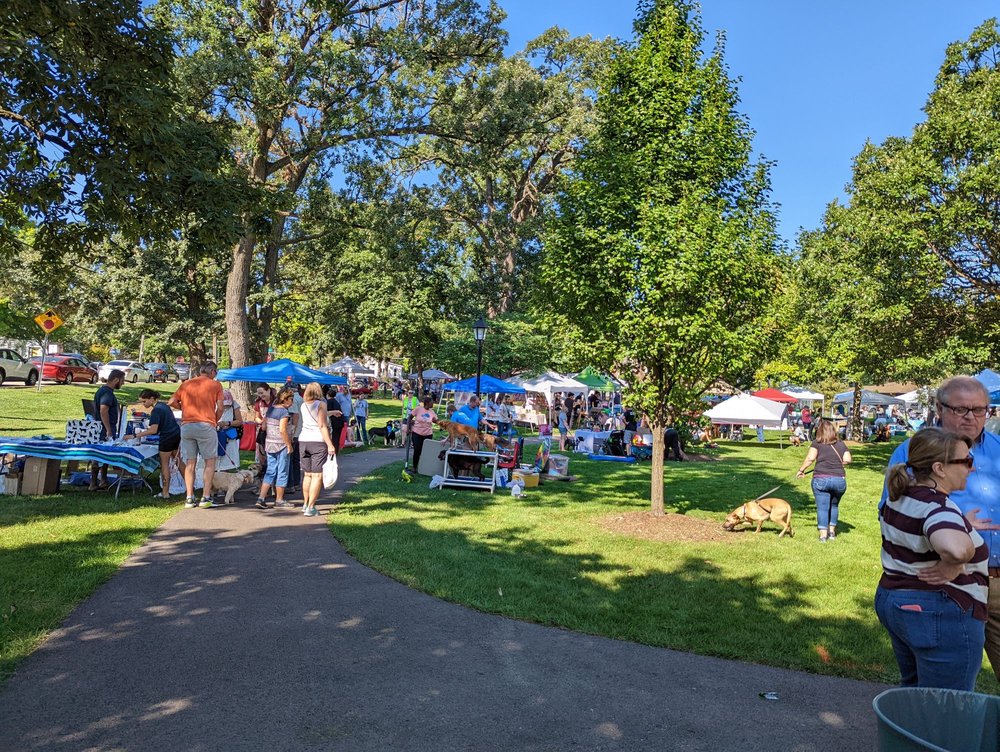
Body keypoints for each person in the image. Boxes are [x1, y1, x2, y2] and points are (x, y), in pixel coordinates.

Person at [882, 375, 1000, 681]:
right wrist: (955, 554)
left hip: (993, 580)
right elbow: (895, 513)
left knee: (938, 689)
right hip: (944, 588)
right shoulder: (914, 452)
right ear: (939, 408)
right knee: (943, 694)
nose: (971, 417)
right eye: (961, 410)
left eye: (980, 410)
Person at [877, 427, 986, 690]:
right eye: (966, 461)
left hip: (897, 601)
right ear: (939, 468)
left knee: (914, 694)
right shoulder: (939, 507)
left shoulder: (901, 496)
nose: (972, 468)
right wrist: (954, 565)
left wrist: (963, 525)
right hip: (939, 611)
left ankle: (904, 732)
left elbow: (919, 531)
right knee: (947, 703)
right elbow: (955, 549)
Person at [168, 361, 224, 509]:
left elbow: (172, 401)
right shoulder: (215, 385)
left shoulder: (186, 384)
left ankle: (189, 497)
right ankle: (205, 497)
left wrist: (184, 408)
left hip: (187, 425)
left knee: (190, 463)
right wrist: (215, 419)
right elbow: (221, 407)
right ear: (212, 372)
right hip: (206, 425)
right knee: (209, 462)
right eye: (216, 372)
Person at [797, 419, 852, 541]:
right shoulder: (841, 444)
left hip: (821, 479)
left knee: (822, 507)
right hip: (839, 480)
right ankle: (832, 532)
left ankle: (823, 535)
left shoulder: (817, 443)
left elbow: (810, 458)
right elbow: (848, 459)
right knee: (834, 505)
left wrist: (801, 470)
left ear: (819, 431)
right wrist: (840, 463)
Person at [126, 388, 181, 499]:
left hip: (167, 437)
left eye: (144, 401)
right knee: (179, 462)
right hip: (176, 435)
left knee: (164, 464)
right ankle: (190, 489)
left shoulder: (156, 410)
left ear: (151, 399)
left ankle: (165, 492)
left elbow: (153, 430)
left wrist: (134, 436)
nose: (143, 404)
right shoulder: (164, 406)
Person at [297, 382, 336, 517]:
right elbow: (321, 425)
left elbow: (314, 417)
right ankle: (311, 507)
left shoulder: (303, 405)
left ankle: (305, 503)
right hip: (317, 441)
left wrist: (331, 413)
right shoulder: (321, 404)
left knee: (307, 474)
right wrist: (330, 444)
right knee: (317, 475)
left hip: (303, 440)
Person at [256, 386, 295, 509]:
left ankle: (261, 498)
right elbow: (283, 430)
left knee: (270, 471)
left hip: (269, 444)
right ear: (286, 399)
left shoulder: (271, 409)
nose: (292, 402)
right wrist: (289, 444)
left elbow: (263, 426)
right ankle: (279, 499)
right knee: (282, 471)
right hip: (281, 444)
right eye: (291, 399)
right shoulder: (284, 412)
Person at [89, 368, 125, 491]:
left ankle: (103, 481)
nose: (123, 383)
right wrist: (108, 429)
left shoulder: (104, 391)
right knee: (99, 454)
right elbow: (103, 410)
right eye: (122, 380)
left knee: (105, 455)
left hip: (103, 427)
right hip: (104, 429)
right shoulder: (106, 393)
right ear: (116, 379)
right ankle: (93, 483)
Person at [410, 396, 438, 471]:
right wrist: (408, 428)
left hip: (428, 434)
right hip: (417, 433)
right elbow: (410, 417)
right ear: (427, 403)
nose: (433, 404)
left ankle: (424, 467)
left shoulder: (432, 412)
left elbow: (436, 421)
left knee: (426, 451)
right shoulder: (418, 409)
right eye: (432, 402)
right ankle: (414, 467)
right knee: (417, 450)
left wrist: (436, 421)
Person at [253, 383, 275, 467]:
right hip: (262, 430)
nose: (260, 395)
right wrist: (262, 422)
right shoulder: (259, 403)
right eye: (259, 393)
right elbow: (256, 417)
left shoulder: (275, 402)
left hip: (273, 430)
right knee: (261, 452)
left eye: (262, 393)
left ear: (268, 390)